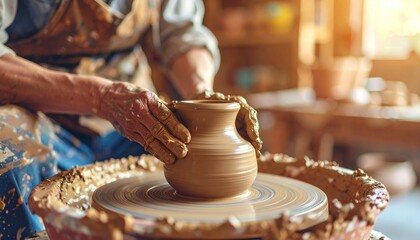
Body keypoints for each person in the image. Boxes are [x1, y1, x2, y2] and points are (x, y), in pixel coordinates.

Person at [0, 0, 262, 238]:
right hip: (39, 110)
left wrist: (200, 94)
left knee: (216, 159)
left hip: (133, 117)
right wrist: (100, 97)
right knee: (8, 158)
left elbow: (181, 34)